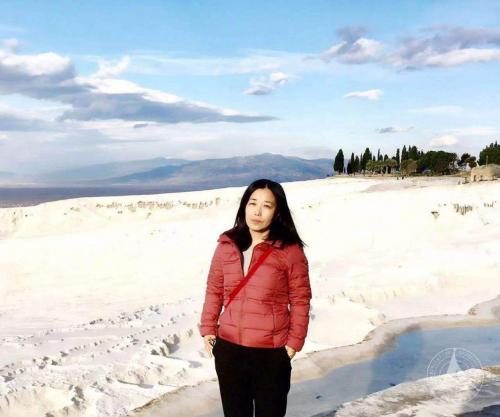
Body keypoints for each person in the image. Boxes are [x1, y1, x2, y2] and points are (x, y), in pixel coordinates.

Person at [198, 178, 312, 417]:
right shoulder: (226, 246)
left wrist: (293, 343)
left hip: (271, 353)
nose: (257, 212)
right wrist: (208, 328)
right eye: (253, 203)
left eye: (267, 206)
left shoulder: (289, 251)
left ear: (277, 212)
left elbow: (300, 299)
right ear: (244, 206)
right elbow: (214, 289)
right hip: (229, 349)